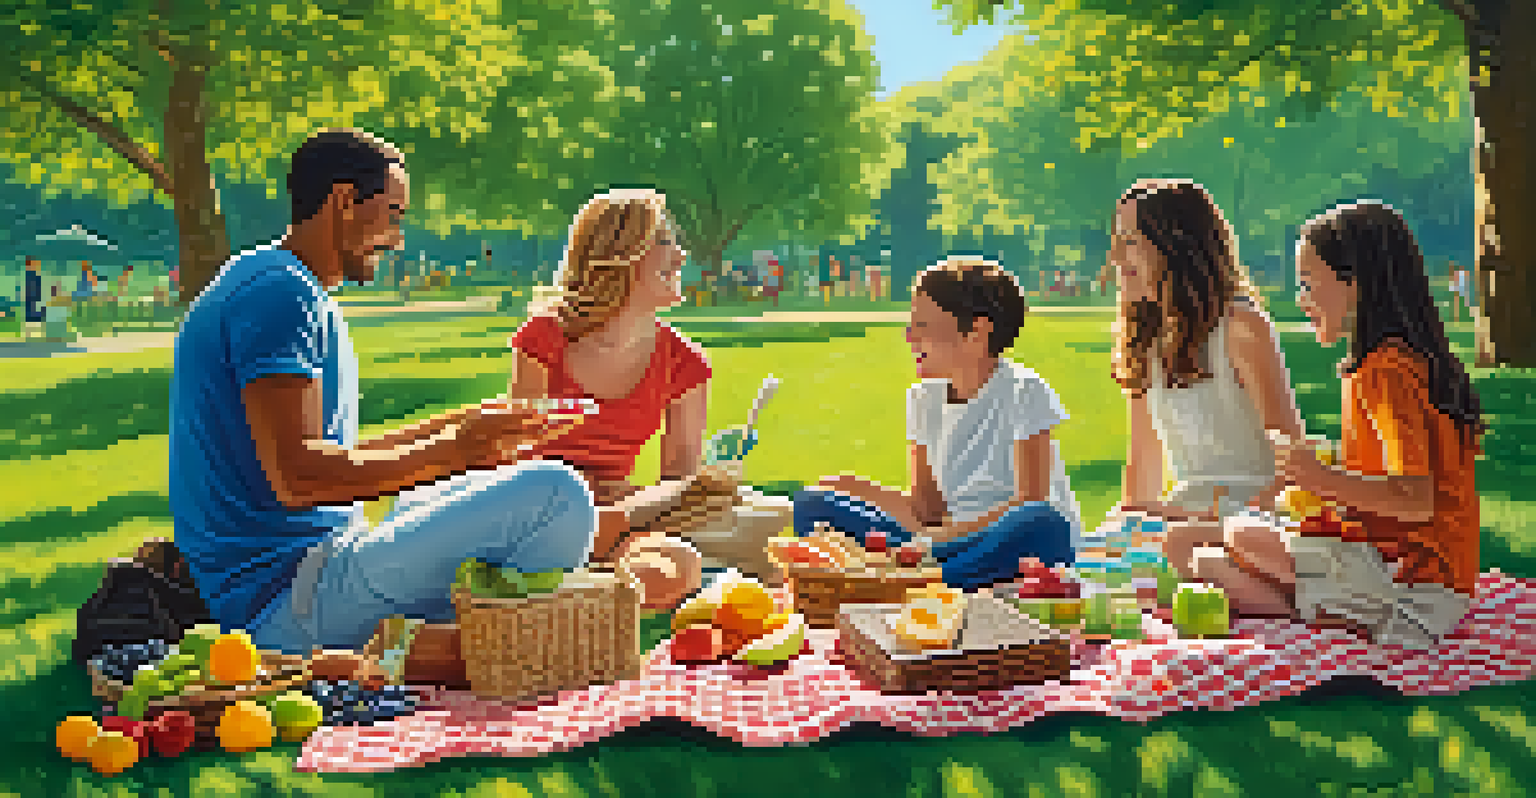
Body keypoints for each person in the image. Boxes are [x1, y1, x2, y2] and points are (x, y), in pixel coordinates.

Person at [171, 128, 624, 656]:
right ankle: (452, 651)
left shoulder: (282, 284)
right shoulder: (279, 295)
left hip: (322, 568)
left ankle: (428, 648)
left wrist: (470, 425)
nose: (397, 237)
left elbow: (329, 457)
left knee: (445, 496)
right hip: (291, 601)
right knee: (558, 496)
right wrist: (454, 452)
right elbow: (298, 478)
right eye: (392, 214)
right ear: (343, 202)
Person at [1187, 201, 1484, 648]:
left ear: (1355, 282)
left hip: (1415, 585)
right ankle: (1333, 608)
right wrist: (1319, 501)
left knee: (1233, 539)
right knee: (1205, 558)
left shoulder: (1386, 373)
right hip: (1410, 574)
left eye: (1308, 284)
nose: (1301, 300)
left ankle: (1361, 617)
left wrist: (1318, 477)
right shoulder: (1388, 365)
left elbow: (1417, 501)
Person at [792, 256, 1083, 591]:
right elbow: (925, 509)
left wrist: (941, 536)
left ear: (977, 332)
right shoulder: (922, 399)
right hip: (939, 546)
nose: (908, 336)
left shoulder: (1024, 391)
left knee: (1042, 522)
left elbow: (1031, 499)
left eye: (923, 326)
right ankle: (924, 574)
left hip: (1006, 543)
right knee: (813, 504)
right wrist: (856, 488)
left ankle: (913, 579)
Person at [505, 188, 720, 598]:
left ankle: (578, 595)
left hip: (616, 517)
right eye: (664, 241)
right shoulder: (545, 338)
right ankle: (567, 585)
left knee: (678, 566)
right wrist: (578, 507)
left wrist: (619, 516)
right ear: (618, 253)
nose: (680, 256)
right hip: (534, 509)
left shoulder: (686, 363)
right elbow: (517, 453)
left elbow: (679, 478)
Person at [1107, 179, 1307, 573]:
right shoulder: (1146, 341)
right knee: (1106, 548)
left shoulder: (1241, 326)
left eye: (1130, 241)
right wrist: (1127, 527)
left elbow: (1293, 467)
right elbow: (1143, 470)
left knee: (1180, 547)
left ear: (1175, 247)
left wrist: (1211, 521)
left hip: (1256, 521)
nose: (1114, 256)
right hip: (1186, 519)